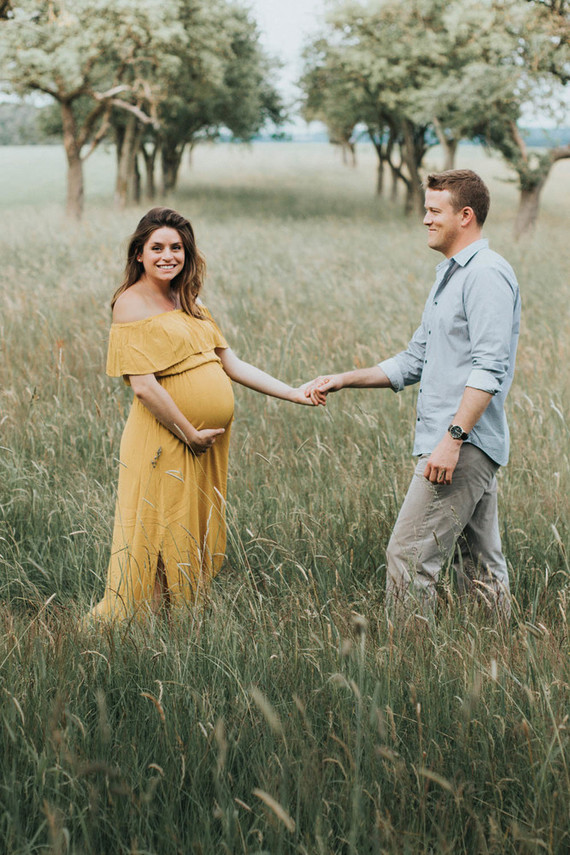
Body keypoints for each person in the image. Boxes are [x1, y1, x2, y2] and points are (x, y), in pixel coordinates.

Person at [306, 170, 521, 618]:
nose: (425, 219)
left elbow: (489, 368)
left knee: (408, 558)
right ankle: (500, 651)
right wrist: (344, 378)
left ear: (465, 216)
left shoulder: (485, 275)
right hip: (459, 443)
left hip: (461, 445)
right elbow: (414, 361)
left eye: (433, 210)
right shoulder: (451, 276)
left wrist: (451, 439)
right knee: (479, 566)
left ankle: (409, 669)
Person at [89, 207, 313, 621]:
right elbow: (144, 386)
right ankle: (138, 629)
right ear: (139, 253)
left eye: (176, 247)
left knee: (189, 528)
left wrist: (293, 393)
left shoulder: (190, 300)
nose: (167, 255)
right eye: (157, 247)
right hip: (166, 437)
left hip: (203, 441)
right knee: (158, 532)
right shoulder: (130, 304)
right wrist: (189, 432)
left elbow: (234, 364)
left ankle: (177, 623)